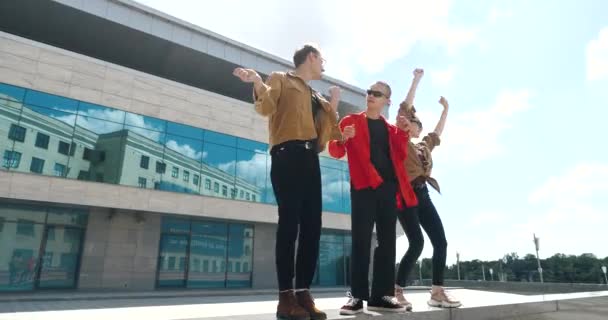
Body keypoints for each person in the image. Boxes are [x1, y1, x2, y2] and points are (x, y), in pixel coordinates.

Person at [233, 43, 341, 320]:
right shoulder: (280, 78)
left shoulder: (316, 95)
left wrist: (337, 110)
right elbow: (266, 106)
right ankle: (285, 298)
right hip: (287, 154)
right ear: (311, 57)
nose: (323, 65)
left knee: (312, 228)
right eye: (322, 59)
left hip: (310, 159)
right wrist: (257, 82)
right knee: (290, 223)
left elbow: (329, 132)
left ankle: (303, 293)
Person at [328, 81, 418, 315]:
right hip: (363, 187)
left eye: (377, 94)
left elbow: (399, 156)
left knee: (387, 243)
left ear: (386, 101)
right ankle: (355, 298)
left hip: (388, 190)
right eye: (369, 92)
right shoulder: (350, 121)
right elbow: (335, 151)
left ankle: (382, 297)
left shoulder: (390, 129)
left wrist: (405, 130)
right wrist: (343, 139)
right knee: (360, 241)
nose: (370, 95)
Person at [394, 69, 461, 308]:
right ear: (405, 124)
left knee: (440, 242)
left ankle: (437, 291)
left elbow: (438, 131)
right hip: (404, 194)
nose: (418, 125)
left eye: (420, 124)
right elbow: (405, 106)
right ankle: (397, 289)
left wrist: (446, 110)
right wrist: (416, 80)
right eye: (414, 121)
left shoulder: (424, 145)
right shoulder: (399, 139)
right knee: (417, 243)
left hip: (423, 194)